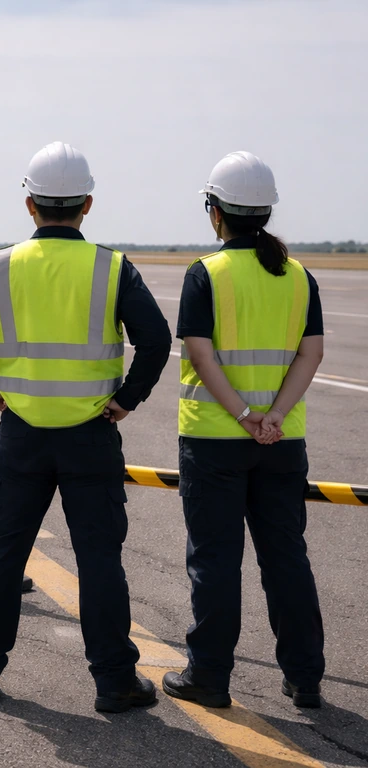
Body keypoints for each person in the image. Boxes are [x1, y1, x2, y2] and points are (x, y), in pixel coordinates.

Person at [0, 141, 172, 713]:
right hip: (91, 431)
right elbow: (158, 340)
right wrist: (127, 400)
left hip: (22, 432)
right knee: (99, 560)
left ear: (30, 203)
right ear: (87, 204)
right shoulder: (112, 267)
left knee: (4, 553)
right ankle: (115, 681)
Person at [162, 151, 326, 709]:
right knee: (286, 558)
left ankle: (209, 677)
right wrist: (275, 414)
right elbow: (312, 353)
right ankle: (304, 679)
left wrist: (240, 414)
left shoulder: (205, 274)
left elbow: (199, 354)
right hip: (282, 443)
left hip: (214, 440)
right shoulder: (300, 276)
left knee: (214, 560)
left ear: (215, 212)